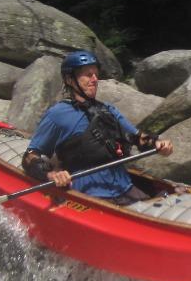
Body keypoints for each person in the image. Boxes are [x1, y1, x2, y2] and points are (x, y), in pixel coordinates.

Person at [22, 50, 173, 204]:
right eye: (88, 75)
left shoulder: (108, 110)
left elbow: (137, 138)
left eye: (95, 74)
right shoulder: (57, 115)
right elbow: (29, 156)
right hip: (88, 193)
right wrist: (51, 175)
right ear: (69, 79)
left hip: (124, 187)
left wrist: (157, 143)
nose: (95, 79)